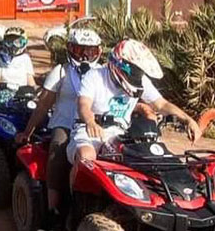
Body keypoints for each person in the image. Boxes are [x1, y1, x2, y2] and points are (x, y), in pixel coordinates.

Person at [68, 39, 201, 171]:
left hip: (122, 133)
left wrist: (188, 119)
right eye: (135, 70)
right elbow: (83, 104)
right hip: (89, 132)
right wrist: (90, 121)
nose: (137, 75)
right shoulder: (95, 76)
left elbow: (161, 104)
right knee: (87, 157)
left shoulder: (140, 80)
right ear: (121, 64)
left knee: (152, 158)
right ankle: (73, 192)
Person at [16, 23, 102, 215]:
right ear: (70, 49)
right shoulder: (61, 72)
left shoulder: (102, 74)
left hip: (93, 127)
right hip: (64, 124)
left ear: (98, 51)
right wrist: (28, 132)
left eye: (90, 51)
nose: (84, 56)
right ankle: (53, 210)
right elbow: (43, 105)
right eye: (79, 50)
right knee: (57, 154)